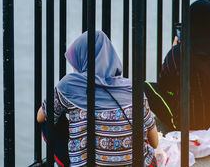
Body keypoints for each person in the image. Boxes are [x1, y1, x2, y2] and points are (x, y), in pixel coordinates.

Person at [37, 30, 158, 167]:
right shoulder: (132, 88)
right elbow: (154, 142)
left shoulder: (69, 84)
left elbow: (41, 116)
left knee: (49, 118)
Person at [145, 0, 210, 133]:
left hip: (188, 124)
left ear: (188, 26)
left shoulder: (179, 52)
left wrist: (175, 49)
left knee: (145, 87)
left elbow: (164, 86)